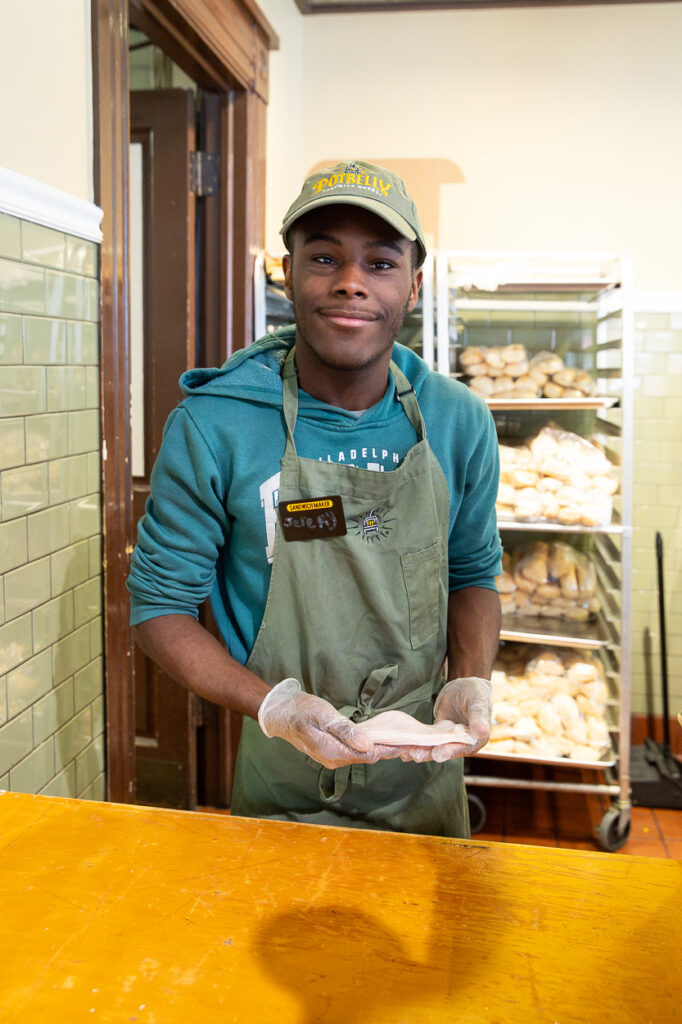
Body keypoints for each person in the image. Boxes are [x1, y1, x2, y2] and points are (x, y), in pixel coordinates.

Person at [127, 160, 502, 837]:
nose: (351, 282)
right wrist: (276, 707)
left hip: (424, 767)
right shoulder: (218, 425)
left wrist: (469, 679)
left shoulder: (457, 421)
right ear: (289, 274)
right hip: (284, 777)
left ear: (414, 286)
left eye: (381, 263)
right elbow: (160, 608)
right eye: (324, 257)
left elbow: (473, 573)